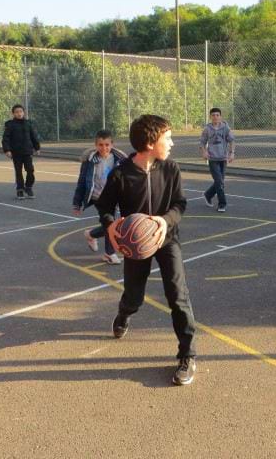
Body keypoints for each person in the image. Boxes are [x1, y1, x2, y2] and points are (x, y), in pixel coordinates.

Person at [95, 114, 197, 386]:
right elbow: (104, 207)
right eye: (168, 137)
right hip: (135, 244)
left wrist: (165, 221)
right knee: (134, 297)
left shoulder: (171, 169)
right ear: (151, 143)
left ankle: (187, 354)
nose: (172, 143)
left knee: (178, 295)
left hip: (167, 238)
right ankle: (124, 313)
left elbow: (180, 204)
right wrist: (112, 227)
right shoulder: (121, 173)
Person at [72, 129, 127, 265]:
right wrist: (77, 203)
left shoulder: (119, 160)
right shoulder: (90, 161)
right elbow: (82, 182)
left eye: (107, 145)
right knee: (110, 224)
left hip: (114, 197)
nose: (104, 148)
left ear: (112, 144)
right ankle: (109, 253)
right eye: (101, 145)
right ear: (96, 145)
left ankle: (91, 234)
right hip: (98, 197)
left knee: (110, 224)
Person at [199, 107, 235, 212]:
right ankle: (222, 204)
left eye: (217, 115)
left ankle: (208, 194)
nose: (215, 117)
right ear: (210, 117)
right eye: (213, 115)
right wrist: (204, 152)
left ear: (220, 117)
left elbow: (232, 141)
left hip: (223, 158)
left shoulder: (225, 128)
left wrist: (232, 153)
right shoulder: (207, 129)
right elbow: (201, 142)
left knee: (220, 182)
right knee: (219, 182)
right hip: (212, 159)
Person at [2, 104, 41, 200]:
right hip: (16, 152)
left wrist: (37, 147)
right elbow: (5, 139)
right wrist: (7, 150)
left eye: (21, 112)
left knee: (30, 170)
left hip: (27, 151)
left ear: (24, 113)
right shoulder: (10, 125)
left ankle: (28, 187)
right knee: (18, 171)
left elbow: (33, 136)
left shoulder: (28, 124)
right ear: (13, 114)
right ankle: (20, 189)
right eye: (17, 112)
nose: (19, 114)